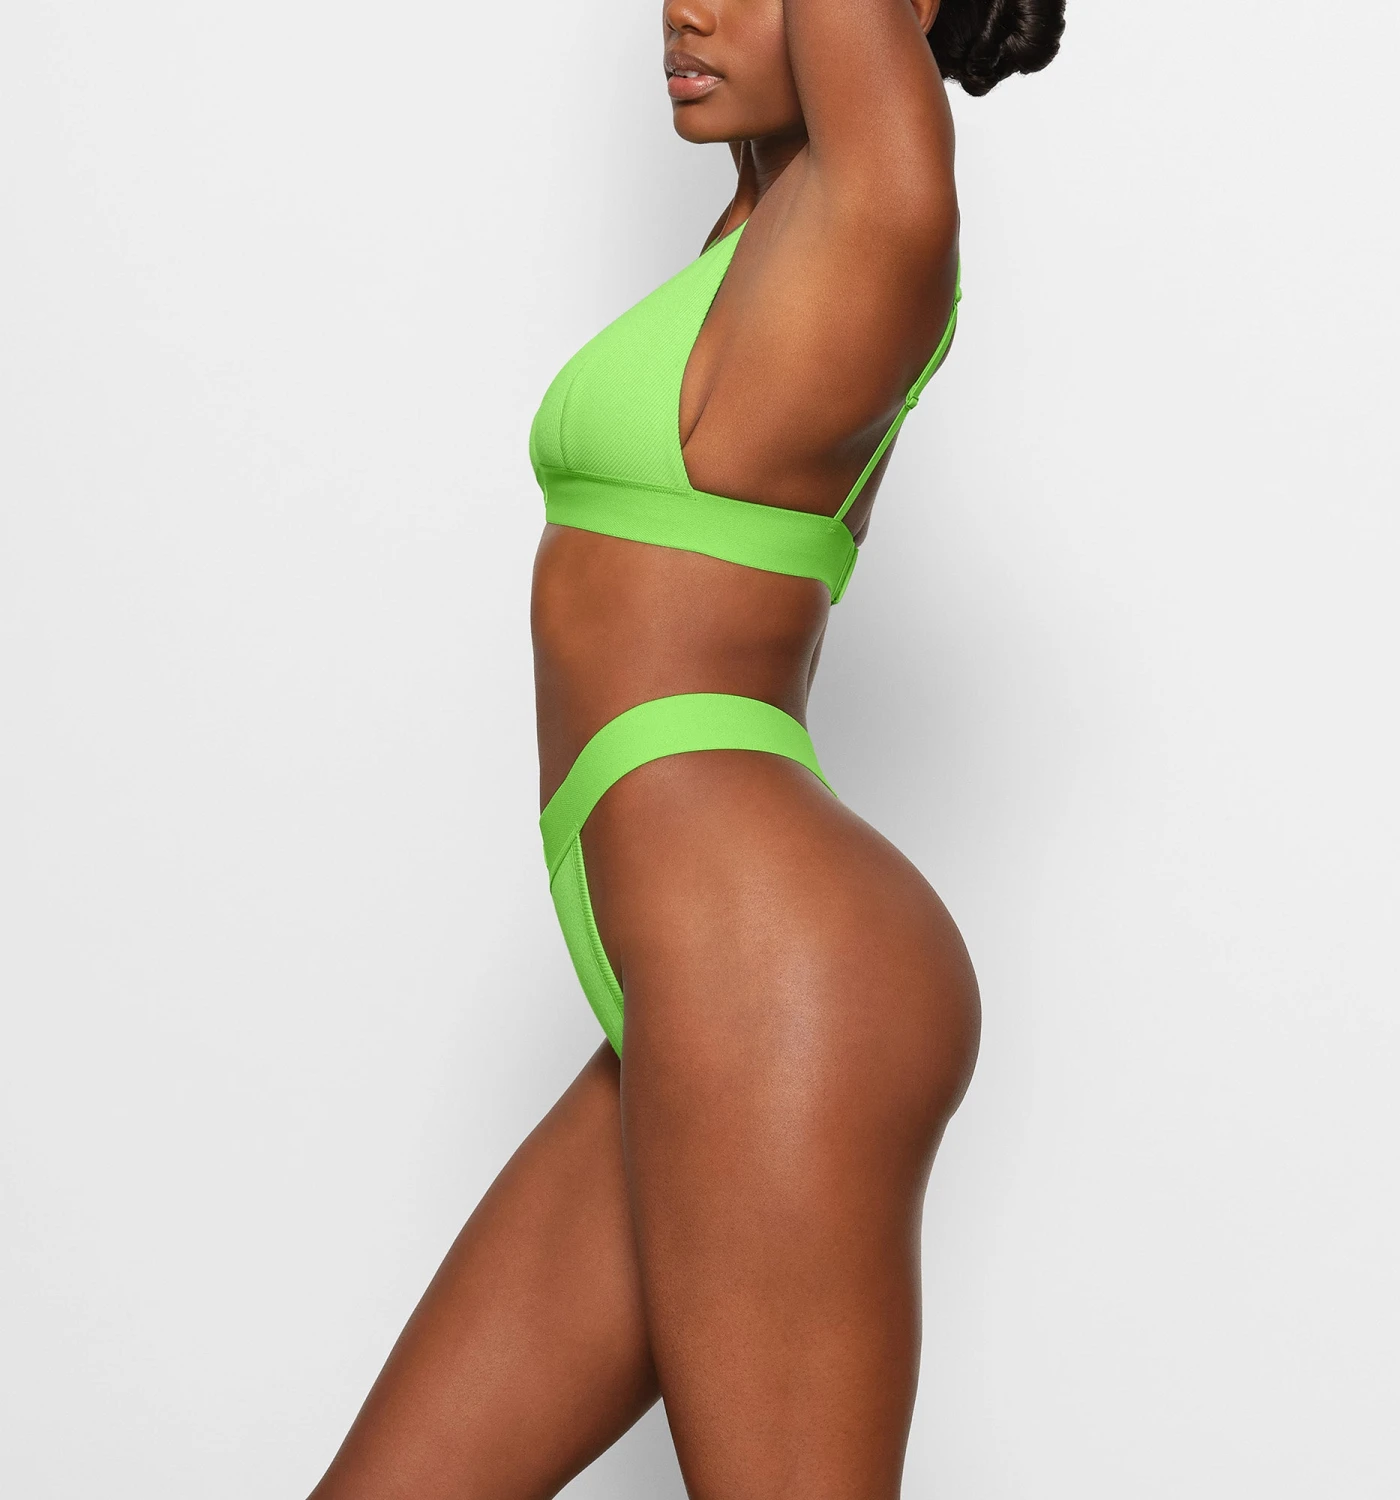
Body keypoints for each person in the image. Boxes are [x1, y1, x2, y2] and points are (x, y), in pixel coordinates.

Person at [309, 2, 1064, 1495]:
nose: (683, 10)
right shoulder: (760, 238)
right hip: (690, 979)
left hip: (779, 968)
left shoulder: (882, 211)